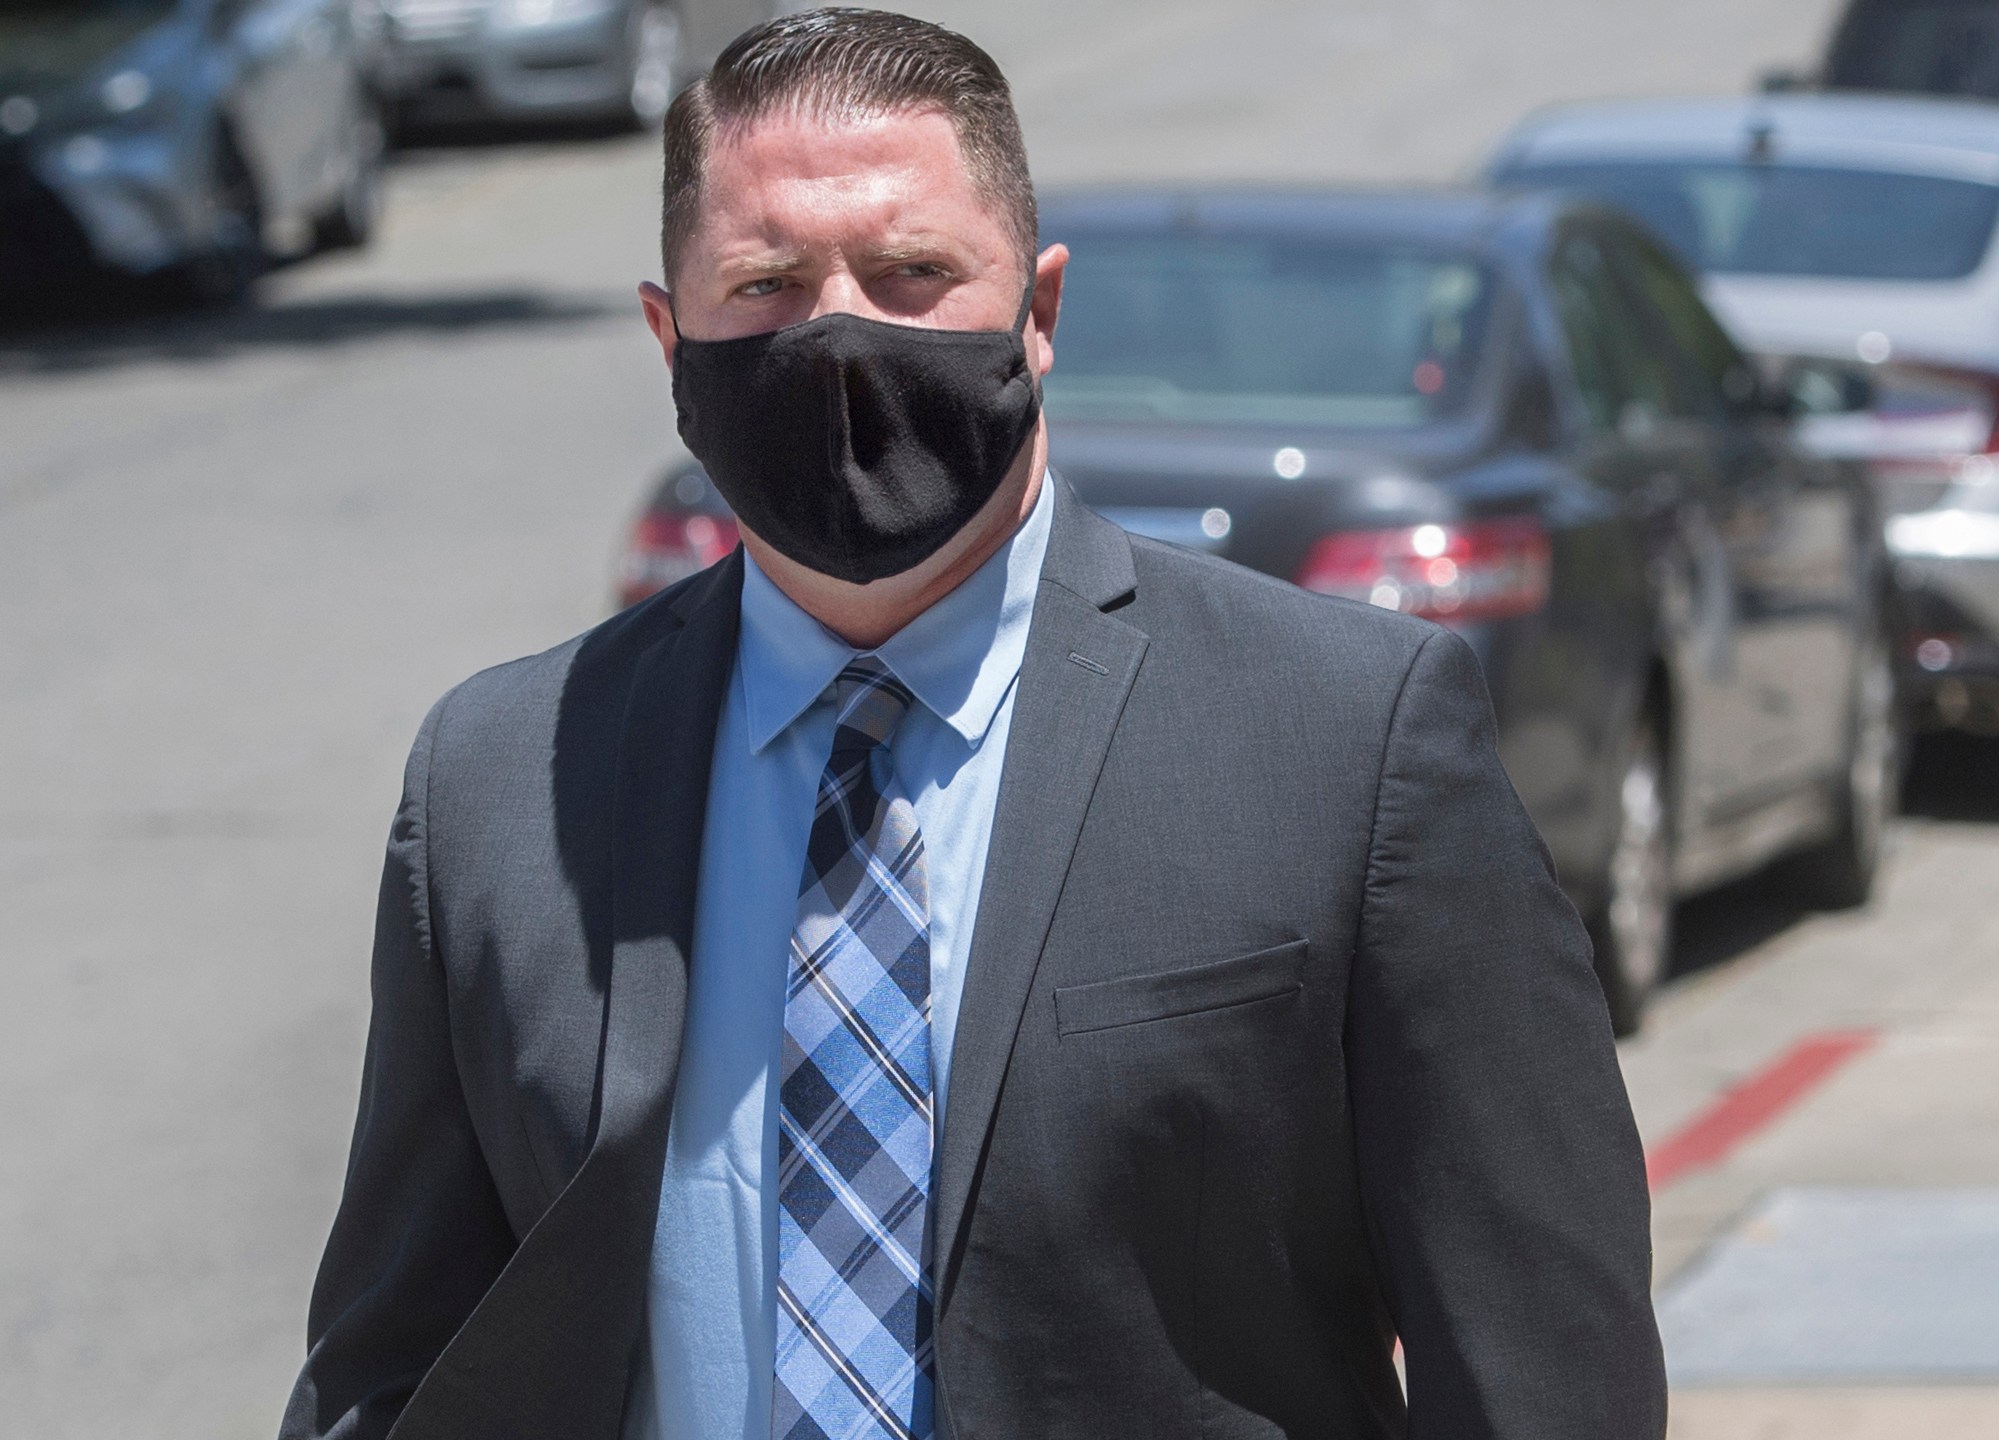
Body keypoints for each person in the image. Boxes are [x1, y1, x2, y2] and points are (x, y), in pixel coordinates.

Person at [280, 10, 1663, 1439]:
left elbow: (1543, 1364)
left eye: (911, 273)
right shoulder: (504, 780)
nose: (837, 334)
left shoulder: (1349, 740)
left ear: (1040, 313)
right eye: (764, 283)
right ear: (668, 336)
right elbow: (394, 1365)